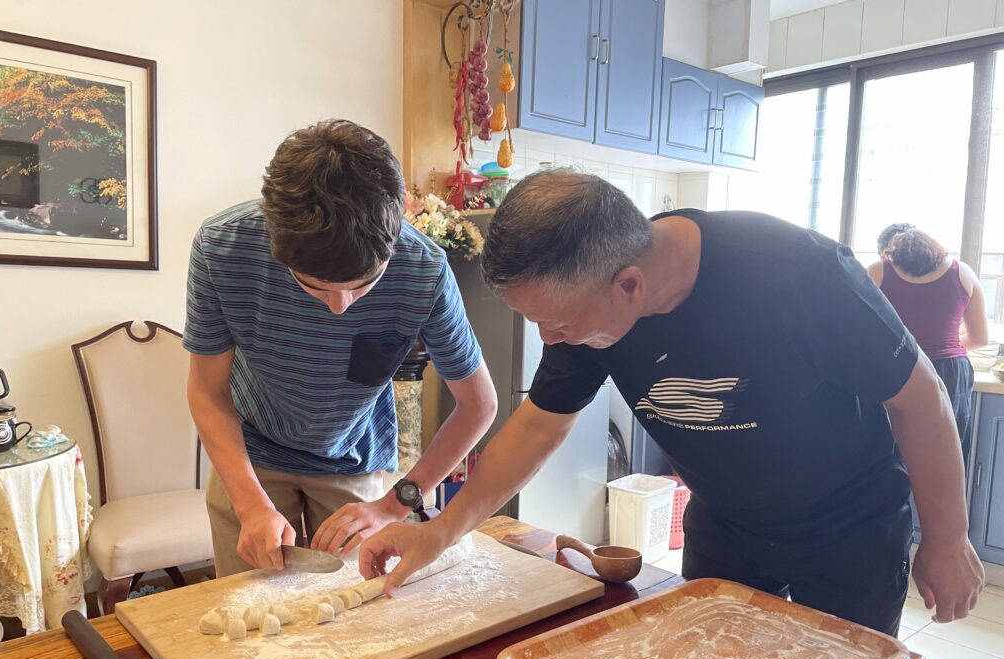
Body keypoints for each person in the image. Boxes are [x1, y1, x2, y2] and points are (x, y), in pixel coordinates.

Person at [360, 170, 985, 634]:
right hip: (729, 525)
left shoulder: (797, 273)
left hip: (850, 526)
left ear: (629, 286)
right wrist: (440, 531)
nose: (551, 340)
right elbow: (535, 428)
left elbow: (919, 398)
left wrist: (948, 537)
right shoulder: (590, 301)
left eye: (556, 324)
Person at [184, 119, 497, 577]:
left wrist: (395, 504)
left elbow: (479, 405)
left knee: (358, 613)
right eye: (316, 288)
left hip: (353, 459)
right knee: (250, 623)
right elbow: (207, 391)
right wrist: (250, 505)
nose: (339, 308)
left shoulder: (423, 270)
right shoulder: (222, 249)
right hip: (251, 459)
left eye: (362, 285)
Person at [868, 225, 988, 464]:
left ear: (888, 254)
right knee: (945, 458)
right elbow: (979, 338)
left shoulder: (878, 271)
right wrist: (944, 344)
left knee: (887, 456)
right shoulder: (963, 273)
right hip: (950, 372)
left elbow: (856, 329)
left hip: (896, 368)